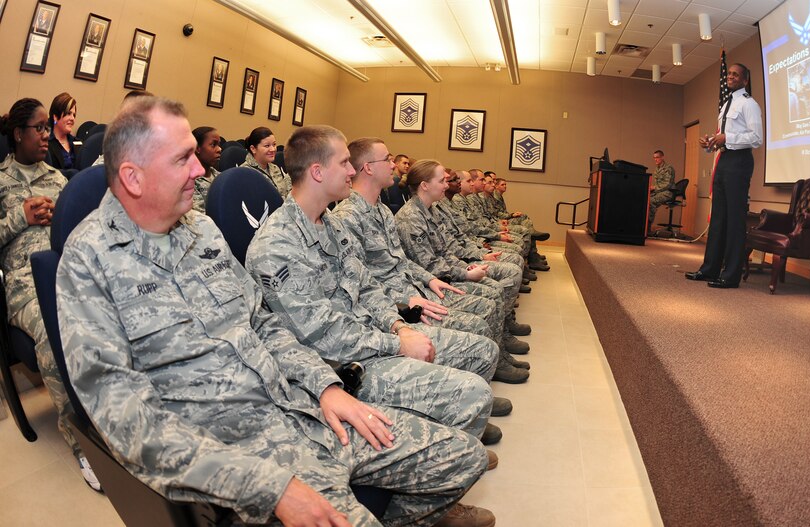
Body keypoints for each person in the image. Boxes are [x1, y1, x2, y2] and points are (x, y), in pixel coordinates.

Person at [56, 96, 490, 527]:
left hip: (298, 407)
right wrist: (268, 487)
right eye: (183, 158)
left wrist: (324, 386)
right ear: (133, 177)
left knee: (463, 457)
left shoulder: (201, 231)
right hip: (237, 455)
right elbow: (127, 419)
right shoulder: (89, 260)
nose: (200, 170)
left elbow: (263, 322)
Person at [244, 126, 502, 445]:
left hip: (373, 336)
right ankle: (451, 443)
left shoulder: (331, 224)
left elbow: (367, 286)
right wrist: (397, 345)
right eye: (344, 163)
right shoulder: (276, 246)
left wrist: (398, 326)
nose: (352, 171)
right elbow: (322, 336)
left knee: (482, 352)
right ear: (317, 172)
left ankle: (451, 428)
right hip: (345, 366)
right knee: (474, 393)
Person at [331, 137, 521, 413]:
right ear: (369, 168)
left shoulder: (381, 210)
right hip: (397, 304)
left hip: (415, 290)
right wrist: (404, 304)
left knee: (485, 310)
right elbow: (362, 282)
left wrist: (430, 280)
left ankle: (468, 398)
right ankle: (464, 401)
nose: (393, 165)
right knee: (478, 325)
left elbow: (402, 262)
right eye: (387, 159)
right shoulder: (347, 217)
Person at [0, 98, 99, 491]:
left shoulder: (58, 179)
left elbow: (82, 230)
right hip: (24, 284)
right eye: (38, 128)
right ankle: (82, 445)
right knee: (53, 327)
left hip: (65, 271)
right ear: (17, 134)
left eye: (47, 128)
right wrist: (19, 216)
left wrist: (61, 219)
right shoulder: (0, 180)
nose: (46, 135)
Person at [686, 63, 762, 288]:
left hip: (739, 163)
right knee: (718, 218)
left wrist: (727, 138)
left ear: (745, 80)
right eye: (729, 73)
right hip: (724, 160)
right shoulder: (726, 105)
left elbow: (756, 138)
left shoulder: (749, 104)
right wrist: (711, 142)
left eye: (735, 74)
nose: (730, 77)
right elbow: (723, 137)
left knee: (735, 220)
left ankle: (730, 275)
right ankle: (709, 269)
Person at [240, 126, 290, 198]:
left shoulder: (275, 168)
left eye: (274, 144)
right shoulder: (245, 172)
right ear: (253, 149)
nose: (273, 149)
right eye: (267, 146)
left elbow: (284, 194)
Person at [46, 92, 82, 171]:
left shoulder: (78, 143)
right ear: (55, 117)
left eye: (74, 115)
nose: (72, 118)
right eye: (68, 113)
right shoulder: (45, 143)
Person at [191, 126, 222, 213]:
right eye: (213, 145)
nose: (219, 149)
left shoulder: (221, 177)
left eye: (219, 145)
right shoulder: (191, 180)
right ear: (197, 148)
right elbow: (199, 215)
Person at [647, 150, 675, 233]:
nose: (655, 159)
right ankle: (642, 225)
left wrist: (654, 188)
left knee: (651, 201)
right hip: (659, 191)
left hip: (668, 192)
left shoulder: (668, 168)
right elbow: (658, 184)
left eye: (657, 157)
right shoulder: (657, 169)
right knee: (645, 198)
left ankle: (647, 227)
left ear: (662, 157)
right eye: (654, 158)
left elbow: (667, 184)